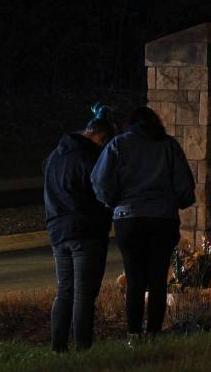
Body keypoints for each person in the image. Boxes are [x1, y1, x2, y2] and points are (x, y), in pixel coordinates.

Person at [91, 106, 195, 342]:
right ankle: (154, 333)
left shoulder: (118, 145)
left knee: (135, 277)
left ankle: (133, 334)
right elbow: (184, 185)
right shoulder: (168, 145)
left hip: (129, 219)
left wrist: (113, 201)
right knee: (158, 278)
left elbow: (99, 181)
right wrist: (178, 201)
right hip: (163, 219)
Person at [43, 104, 118, 352]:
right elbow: (103, 193)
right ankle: (83, 349)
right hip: (86, 232)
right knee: (84, 293)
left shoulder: (55, 155)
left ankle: (58, 349)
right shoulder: (91, 158)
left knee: (65, 290)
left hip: (58, 230)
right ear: (102, 138)